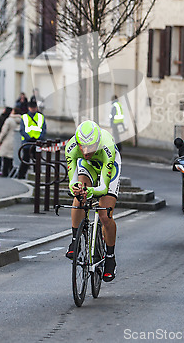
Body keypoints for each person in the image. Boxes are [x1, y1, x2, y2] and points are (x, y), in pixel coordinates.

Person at [65, 120, 121, 282]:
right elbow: (72, 182)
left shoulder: (107, 146)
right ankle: (75, 241)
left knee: (105, 214)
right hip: (88, 166)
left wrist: (91, 191)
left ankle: (110, 257)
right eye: (83, 146)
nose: (86, 151)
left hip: (109, 164)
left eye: (90, 146)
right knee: (78, 196)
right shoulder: (71, 147)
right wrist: (77, 189)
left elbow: (103, 188)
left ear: (97, 142)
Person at [17, 100, 46, 179]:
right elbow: (22, 130)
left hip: (37, 142)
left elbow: (43, 129)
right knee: (26, 159)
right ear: (28, 108)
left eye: (34, 107)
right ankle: (21, 175)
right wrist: (29, 138)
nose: (33, 109)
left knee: (37, 160)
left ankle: (37, 176)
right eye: (31, 107)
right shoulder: (24, 117)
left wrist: (39, 138)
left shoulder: (40, 117)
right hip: (27, 142)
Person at [0, 107, 22, 177]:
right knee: (12, 159)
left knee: (5, 160)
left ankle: (5, 174)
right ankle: (12, 174)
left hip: (7, 141)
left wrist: (0, 139)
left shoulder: (9, 120)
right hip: (16, 141)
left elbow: (4, 131)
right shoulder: (22, 121)